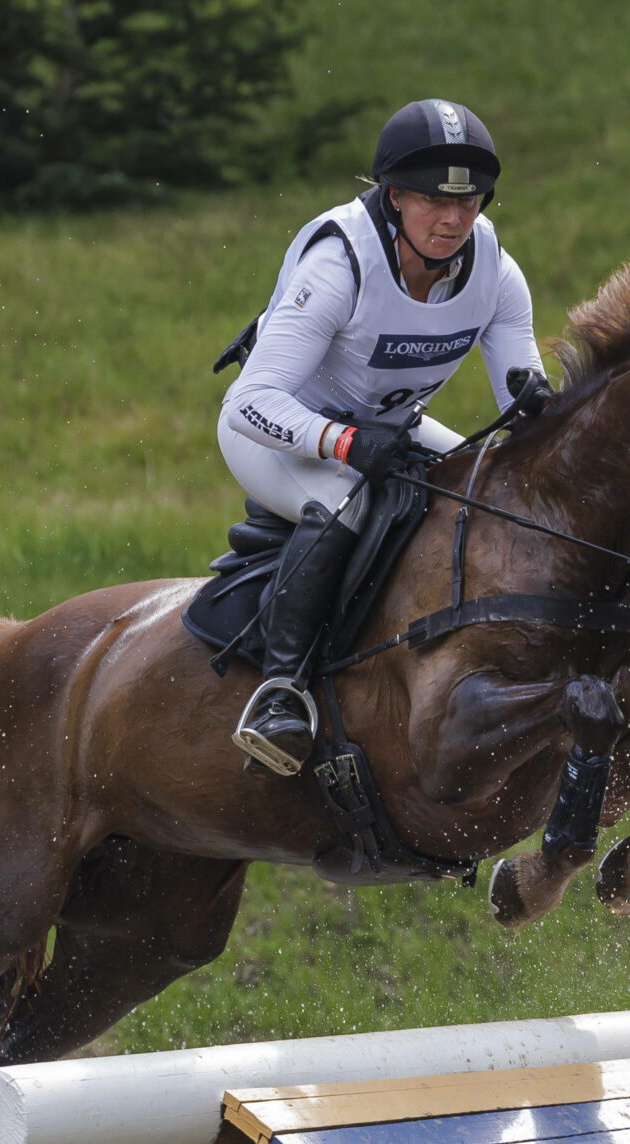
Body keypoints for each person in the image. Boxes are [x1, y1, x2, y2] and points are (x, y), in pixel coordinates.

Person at [215, 97, 550, 776]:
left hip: (388, 430)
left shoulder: (496, 273)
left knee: (486, 488)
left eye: (470, 201)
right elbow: (249, 401)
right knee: (346, 499)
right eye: (433, 199)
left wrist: (545, 411)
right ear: (394, 197)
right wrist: (344, 444)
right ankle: (281, 693)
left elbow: (524, 392)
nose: (454, 219)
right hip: (278, 432)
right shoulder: (340, 267)